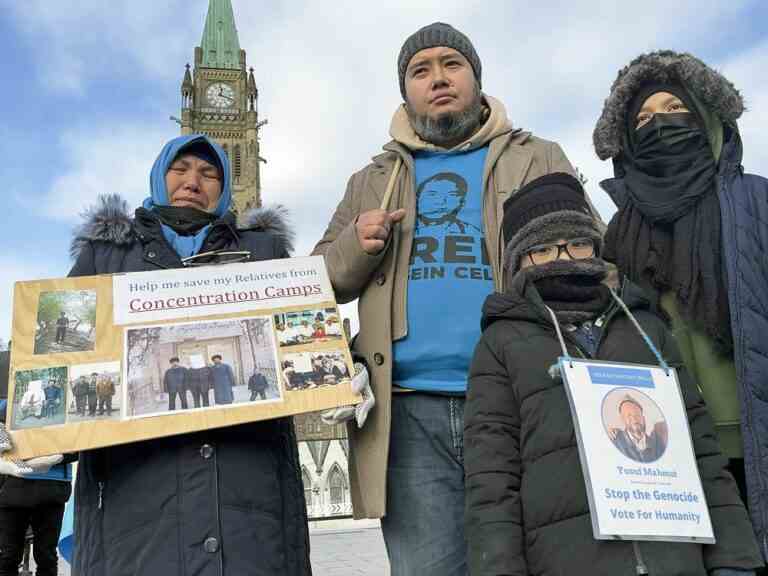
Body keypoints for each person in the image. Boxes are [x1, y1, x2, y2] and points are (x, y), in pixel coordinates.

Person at [312, 21, 583, 573]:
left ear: (476, 79)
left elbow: (590, 261)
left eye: (451, 64)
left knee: (544, 560)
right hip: (408, 413)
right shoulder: (372, 178)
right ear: (405, 92)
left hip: (525, 400)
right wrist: (356, 246)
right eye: (421, 70)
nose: (438, 78)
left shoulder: (539, 156)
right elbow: (321, 283)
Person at [4, 134, 311, 575]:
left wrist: (336, 370)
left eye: (209, 173)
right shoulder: (107, 254)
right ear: (158, 175)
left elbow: (301, 336)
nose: (193, 181)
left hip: (249, 497)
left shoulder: (263, 251)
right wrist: (38, 426)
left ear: (225, 186)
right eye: (180, 169)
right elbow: (62, 355)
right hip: (137, 505)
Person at [464, 172, 763, 576]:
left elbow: (700, 448)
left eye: (577, 243)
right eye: (544, 249)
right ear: (519, 259)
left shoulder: (646, 329)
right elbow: (492, 478)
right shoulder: (501, 343)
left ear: (595, 247)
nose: (564, 258)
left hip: (674, 558)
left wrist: (734, 559)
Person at [593, 50, 768, 558]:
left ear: (707, 117)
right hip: (667, 459)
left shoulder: (757, 202)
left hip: (752, 439)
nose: (659, 125)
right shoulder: (618, 233)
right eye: (643, 119)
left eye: (674, 109)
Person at [0, 369, 72, 576]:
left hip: (51, 489)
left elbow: (79, 445)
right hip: (13, 488)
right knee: (7, 556)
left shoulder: (64, 407)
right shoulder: (9, 405)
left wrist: (59, 457)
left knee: (46, 556)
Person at [610, 395, 666, 463]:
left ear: (643, 418)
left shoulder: (657, 443)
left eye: (637, 415)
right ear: (622, 419)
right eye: (629, 416)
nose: (634, 419)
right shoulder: (616, 442)